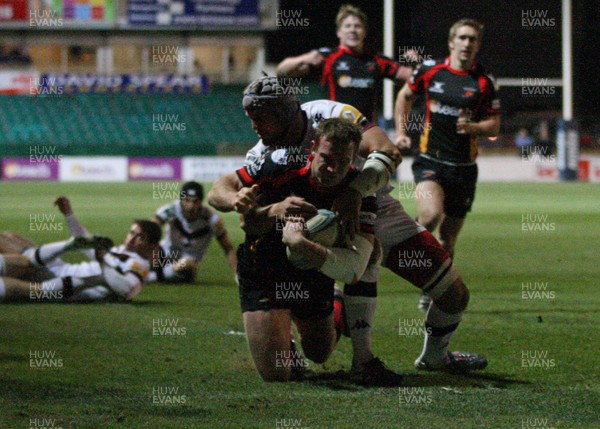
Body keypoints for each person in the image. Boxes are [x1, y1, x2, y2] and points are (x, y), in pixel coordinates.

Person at [209, 75, 487, 380]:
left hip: (371, 205)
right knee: (313, 332)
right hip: (312, 224)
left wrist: (355, 192)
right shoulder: (263, 154)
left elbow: (388, 152)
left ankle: (433, 358)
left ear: (285, 112)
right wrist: (247, 202)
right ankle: (349, 352)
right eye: (251, 118)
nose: (254, 126)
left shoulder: (331, 115)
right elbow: (245, 215)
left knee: (453, 295)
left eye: (261, 118)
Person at [235, 118, 377, 382]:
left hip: (311, 271)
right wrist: (275, 210)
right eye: (326, 158)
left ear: (354, 159)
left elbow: (355, 270)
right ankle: (280, 336)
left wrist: (299, 243)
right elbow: (247, 221)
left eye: (343, 161)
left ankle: (336, 302)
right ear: (313, 148)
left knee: (320, 353)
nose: (333, 169)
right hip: (264, 269)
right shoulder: (278, 166)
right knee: (278, 373)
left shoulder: (359, 193)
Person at [395, 18, 501, 311]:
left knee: (448, 238)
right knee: (429, 216)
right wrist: (402, 133)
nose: (467, 43)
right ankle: (402, 250)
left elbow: (494, 126)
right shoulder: (430, 71)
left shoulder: (484, 82)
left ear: (477, 45)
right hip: (430, 161)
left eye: (473, 39)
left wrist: (474, 129)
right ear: (452, 41)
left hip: (464, 168)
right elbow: (405, 96)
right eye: (463, 38)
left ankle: (434, 289)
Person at [276, 4, 416, 122]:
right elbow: (282, 70)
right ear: (339, 32)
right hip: (334, 130)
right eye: (347, 26)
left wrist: (414, 64)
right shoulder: (326, 58)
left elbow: (412, 78)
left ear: (364, 31)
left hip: (365, 131)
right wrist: (305, 58)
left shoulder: (377, 60)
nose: (352, 30)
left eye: (357, 26)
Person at [0, 218, 161, 303]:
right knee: (9, 236)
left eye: (139, 237)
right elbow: (85, 243)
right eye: (131, 232)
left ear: (151, 245)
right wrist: (69, 214)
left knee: (16, 253)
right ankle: (66, 246)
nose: (132, 238)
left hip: (61, 281)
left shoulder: (139, 266)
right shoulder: (120, 251)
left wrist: (103, 261)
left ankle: (64, 247)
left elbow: (126, 289)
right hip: (63, 269)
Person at [151, 181, 237, 283]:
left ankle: (152, 277)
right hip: (167, 254)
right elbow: (149, 229)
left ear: (201, 202)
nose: (191, 206)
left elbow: (228, 249)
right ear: (181, 199)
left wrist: (237, 276)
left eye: (195, 201)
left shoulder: (212, 220)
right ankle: (160, 274)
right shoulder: (171, 210)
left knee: (186, 264)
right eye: (187, 200)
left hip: (189, 261)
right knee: (150, 251)